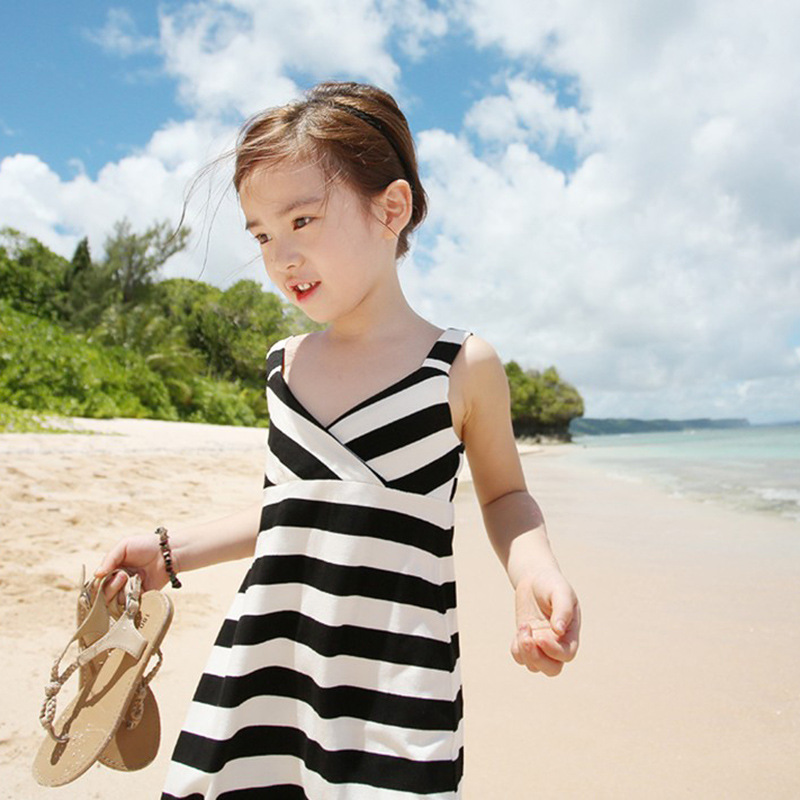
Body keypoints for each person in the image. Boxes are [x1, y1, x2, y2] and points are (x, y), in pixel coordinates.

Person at [97, 81, 581, 799]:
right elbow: (292, 513)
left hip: (394, 688)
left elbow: (506, 493)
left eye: (302, 220)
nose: (281, 256)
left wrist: (532, 571)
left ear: (391, 209)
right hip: (266, 671)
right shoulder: (283, 367)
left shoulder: (458, 366)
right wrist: (171, 552)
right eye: (262, 234)